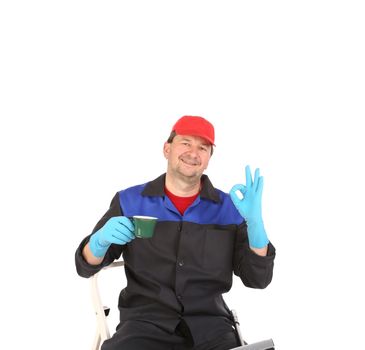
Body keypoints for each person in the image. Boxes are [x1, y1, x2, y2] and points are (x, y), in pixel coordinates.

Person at [75, 115, 275, 350]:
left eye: (203, 147)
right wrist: (99, 241)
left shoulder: (231, 208)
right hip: (143, 327)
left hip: (212, 328)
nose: (193, 152)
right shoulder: (129, 201)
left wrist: (255, 223)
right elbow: (85, 266)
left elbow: (258, 279)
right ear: (167, 149)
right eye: (186, 143)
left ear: (209, 158)